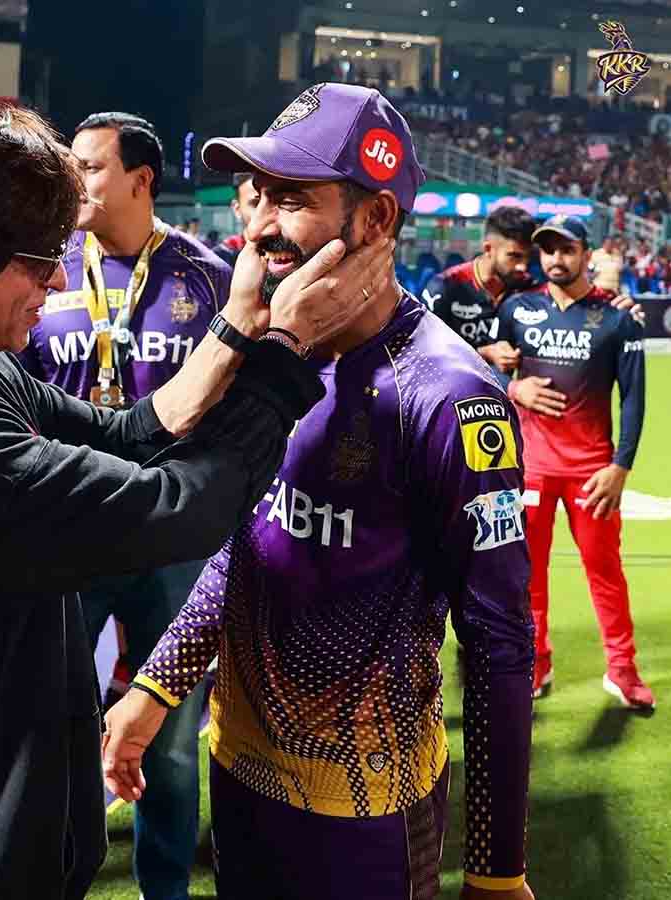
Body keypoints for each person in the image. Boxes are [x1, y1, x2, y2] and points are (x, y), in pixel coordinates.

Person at [0, 100, 387, 900]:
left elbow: (129, 432)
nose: (58, 277)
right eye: (36, 260)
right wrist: (286, 353)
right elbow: (181, 505)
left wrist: (237, 327)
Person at [103, 84, 536, 900]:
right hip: (238, 769)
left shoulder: (450, 397)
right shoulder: (270, 354)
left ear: (374, 221)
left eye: (292, 198)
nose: (259, 223)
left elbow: (501, 642)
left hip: (363, 810)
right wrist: (155, 689)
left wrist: (496, 866)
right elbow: (247, 541)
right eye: (258, 194)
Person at [21, 110, 231, 900]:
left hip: (174, 541)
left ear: (141, 180)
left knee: (172, 741)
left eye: (89, 167)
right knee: (57, 723)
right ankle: (59, 872)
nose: (74, 181)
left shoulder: (207, 277)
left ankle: (164, 888)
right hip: (72, 535)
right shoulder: (45, 270)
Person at [496, 215, 652, 708]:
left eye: (567, 250)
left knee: (605, 571)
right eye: (548, 251)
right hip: (531, 470)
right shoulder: (517, 309)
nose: (556, 259)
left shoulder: (617, 318)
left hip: (592, 473)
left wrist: (620, 466)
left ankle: (622, 671)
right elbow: (483, 372)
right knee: (528, 574)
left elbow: (633, 397)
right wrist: (513, 387)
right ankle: (536, 663)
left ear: (587, 255)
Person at [423, 206, 536, 385]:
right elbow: (425, 353)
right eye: (514, 256)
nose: (523, 267)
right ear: (488, 248)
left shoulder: (528, 287)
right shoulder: (445, 287)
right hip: (452, 389)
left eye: (527, 258)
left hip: (508, 397)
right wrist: (484, 353)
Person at [212, 173, 259, 267]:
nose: (265, 211)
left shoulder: (291, 253)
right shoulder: (220, 258)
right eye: (256, 204)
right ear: (237, 209)